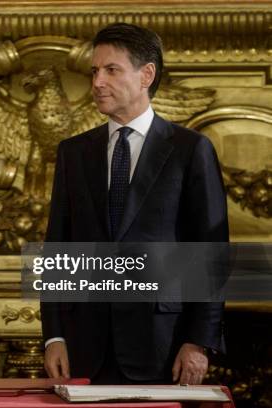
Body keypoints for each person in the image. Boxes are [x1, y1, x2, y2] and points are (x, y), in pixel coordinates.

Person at [41, 23, 228, 385]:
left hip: (164, 347)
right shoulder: (73, 153)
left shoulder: (189, 150)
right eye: (95, 71)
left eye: (111, 70)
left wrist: (198, 341)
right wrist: (54, 336)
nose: (97, 82)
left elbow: (211, 253)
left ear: (146, 75)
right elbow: (57, 250)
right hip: (85, 350)